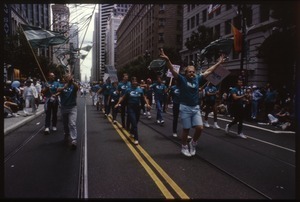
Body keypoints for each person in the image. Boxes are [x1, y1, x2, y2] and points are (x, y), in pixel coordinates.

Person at [159, 48, 225, 157]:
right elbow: (172, 70)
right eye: (189, 72)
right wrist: (167, 60)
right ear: (186, 73)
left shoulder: (197, 79)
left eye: (193, 72)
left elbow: (210, 70)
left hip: (195, 108)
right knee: (186, 129)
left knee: (200, 128)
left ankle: (193, 143)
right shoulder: (181, 79)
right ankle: (184, 147)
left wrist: (218, 62)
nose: (192, 73)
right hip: (185, 107)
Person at [115, 77, 151, 145]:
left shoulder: (140, 90)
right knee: (134, 123)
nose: (134, 83)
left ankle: (132, 131)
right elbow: (123, 97)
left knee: (136, 121)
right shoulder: (128, 90)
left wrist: (147, 104)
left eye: (135, 81)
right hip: (130, 108)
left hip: (137, 108)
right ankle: (136, 139)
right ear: (131, 82)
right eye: (133, 81)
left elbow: (143, 97)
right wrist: (117, 103)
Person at [57, 74, 79, 149]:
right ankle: (67, 134)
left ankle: (74, 140)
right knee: (65, 124)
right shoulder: (61, 85)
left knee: (72, 123)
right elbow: (58, 90)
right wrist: (64, 87)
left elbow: (77, 88)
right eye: (66, 77)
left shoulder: (73, 86)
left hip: (72, 107)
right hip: (64, 107)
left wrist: (72, 82)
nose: (68, 78)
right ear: (64, 78)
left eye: (69, 77)